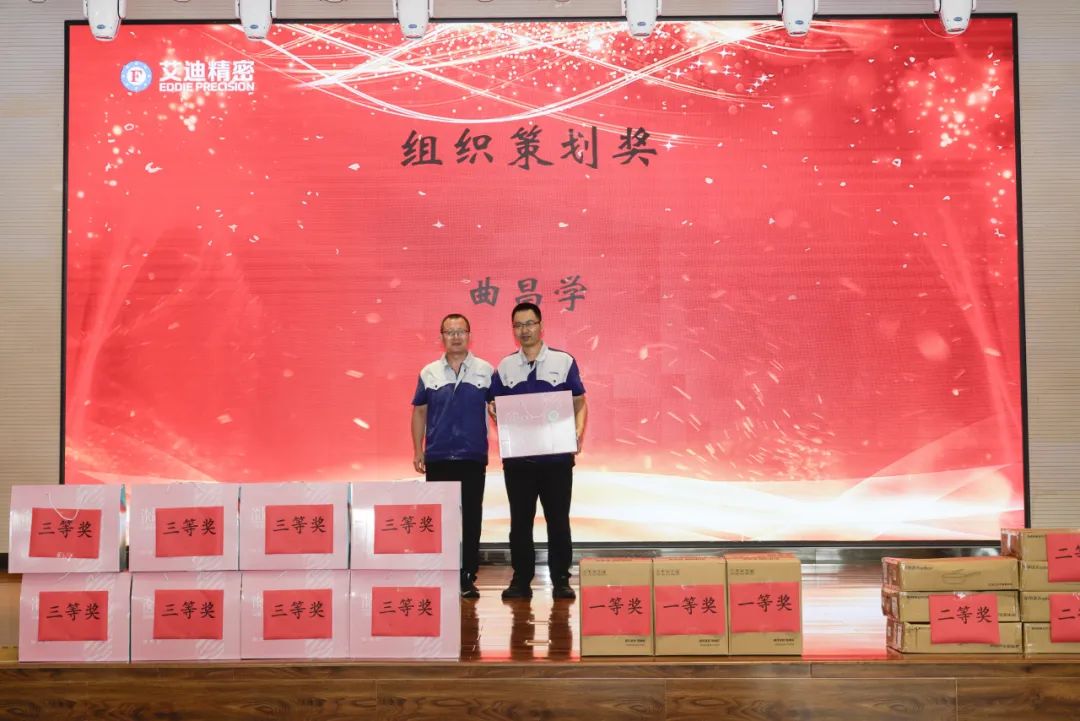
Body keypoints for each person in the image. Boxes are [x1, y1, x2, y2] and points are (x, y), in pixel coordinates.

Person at [489, 302, 587, 601]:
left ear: (541, 326)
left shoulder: (563, 361)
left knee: (558, 521)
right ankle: (521, 580)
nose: (525, 330)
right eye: (518, 325)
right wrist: (494, 410)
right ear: (513, 330)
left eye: (530, 324)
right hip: (519, 461)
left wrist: (576, 434)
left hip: (556, 460)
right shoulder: (505, 366)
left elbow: (580, 402)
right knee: (520, 522)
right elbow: (494, 404)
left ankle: (561, 580)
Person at [411, 313, 494, 598]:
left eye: (461, 331)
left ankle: (467, 574)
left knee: (471, 517)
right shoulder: (429, 372)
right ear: (442, 337)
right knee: (440, 519)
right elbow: (420, 411)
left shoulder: (486, 370)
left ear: (470, 335)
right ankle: (441, 572)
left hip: (472, 456)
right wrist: (418, 449)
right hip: (438, 457)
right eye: (450, 332)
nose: (456, 337)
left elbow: (498, 406)